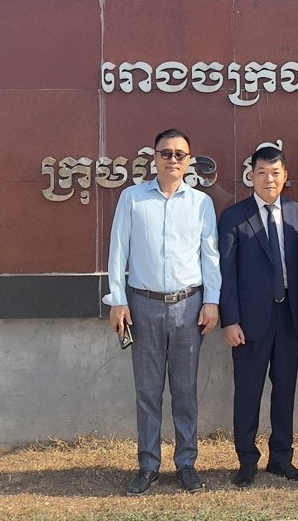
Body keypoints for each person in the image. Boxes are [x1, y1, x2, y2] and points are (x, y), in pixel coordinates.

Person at [104, 129, 221, 495]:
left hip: (189, 306)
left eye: (179, 154)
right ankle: (148, 465)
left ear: (189, 160)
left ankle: (186, 463)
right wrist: (117, 300)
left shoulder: (201, 203)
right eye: (166, 153)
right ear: (154, 157)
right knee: (148, 390)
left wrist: (212, 301)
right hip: (143, 305)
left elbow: (210, 256)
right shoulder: (132, 198)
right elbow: (118, 251)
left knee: (185, 390)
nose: (173, 159)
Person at [218, 146, 298, 487]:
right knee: (248, 391)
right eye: (261, 172)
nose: (268, 179)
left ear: (285, 176)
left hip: (289, 316)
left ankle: (281, 457)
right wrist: (230, 319)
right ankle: (247, 459)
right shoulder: (234, 216)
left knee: (285, 389)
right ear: (251, 176)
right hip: (249, 321)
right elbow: (226, 273)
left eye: (275, 173)